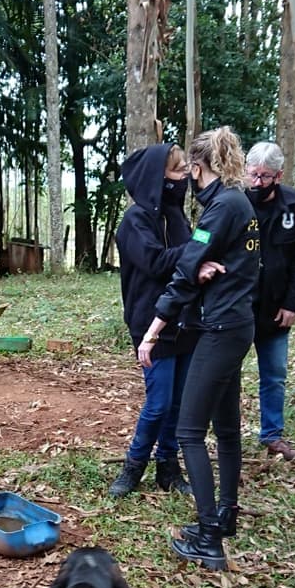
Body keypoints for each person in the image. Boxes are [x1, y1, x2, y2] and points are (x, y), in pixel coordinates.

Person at [138, 128, 260, 571]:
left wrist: (153, 330)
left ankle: (209, 537)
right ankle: (225, 515)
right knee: (226, 430)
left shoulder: (221, 209)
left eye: (187, 170)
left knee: (190, 431)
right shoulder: (239, 203)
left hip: (221, 329)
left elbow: (187, 270)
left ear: (196, 168)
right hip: (237, 324)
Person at [109, 143, 197, 497]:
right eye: (177, 171)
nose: (185, 177)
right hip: (150, 323)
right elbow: (156, 262)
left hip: (186, 319)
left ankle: (169, 468)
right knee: (158, 402)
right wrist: (197, 252)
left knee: (178, 402)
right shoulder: (135, 221)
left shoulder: (178, 217)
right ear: (158, 178)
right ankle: (133, 466)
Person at [244, 142, 295, 460]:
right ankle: (220, 431)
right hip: (239, 306)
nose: (257, 183)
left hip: (276, 308)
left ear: (279, 175)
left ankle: (272, 435)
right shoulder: (236, 201)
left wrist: (292, 304)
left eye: (265, 176)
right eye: (253, 175)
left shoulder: (294, 203)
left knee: (274, 374)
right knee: (224, 372)